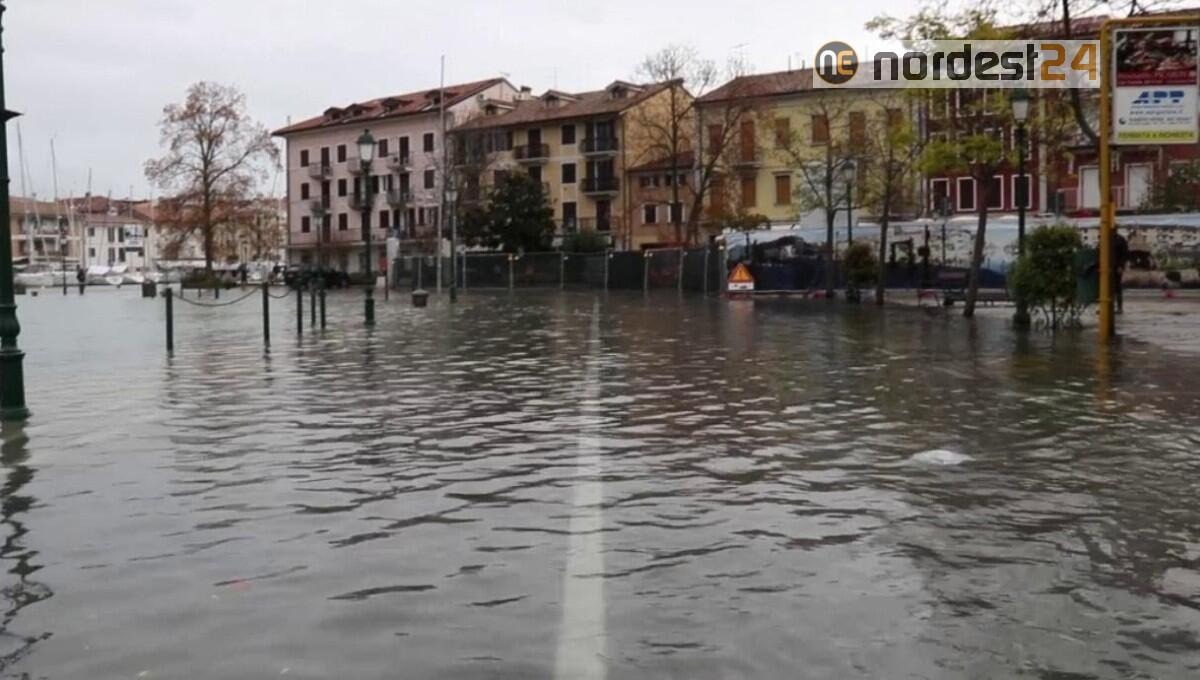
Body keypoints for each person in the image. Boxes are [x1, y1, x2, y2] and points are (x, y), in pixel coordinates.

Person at [1114, 230, 1130, 314]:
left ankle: (1119, 307)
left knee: (1117, 287)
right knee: (1106, 287)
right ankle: (1108, 306)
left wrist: (1121, 266)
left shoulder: (1120, 239)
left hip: (1117, 267)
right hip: (1106, 267)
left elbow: (1125, 254)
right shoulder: (1105, 238)